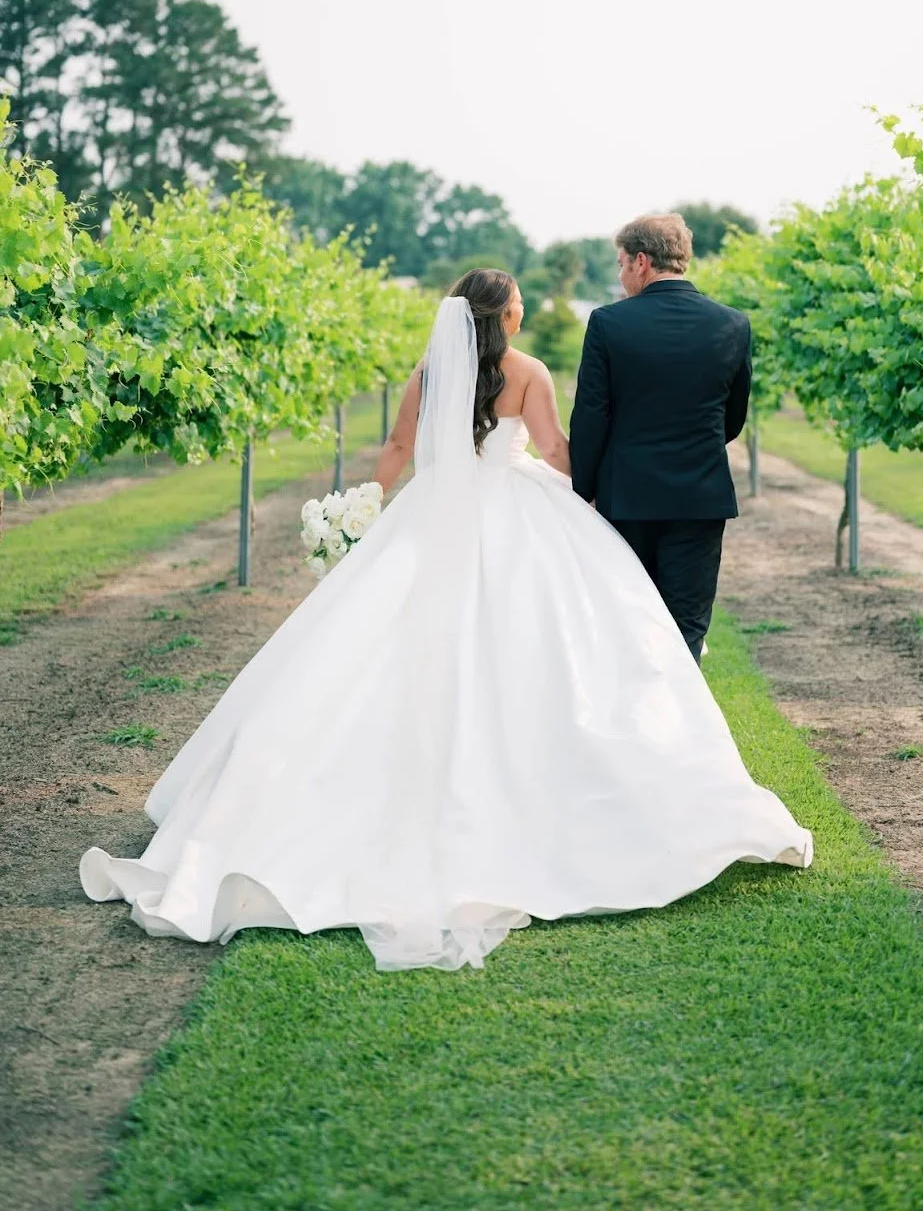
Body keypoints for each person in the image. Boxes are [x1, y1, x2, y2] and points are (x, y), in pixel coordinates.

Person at [80, 269, 812, 974]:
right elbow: (556, 449)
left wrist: (366, 504)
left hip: (431, 520)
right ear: (508, 316)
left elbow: (399, 447)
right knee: (542, 647)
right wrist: (590, 496)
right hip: (520, 516)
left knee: (379, 650)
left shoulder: (426, 374)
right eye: (519, 302)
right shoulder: (529, 372)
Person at [570, 214, 750, 661]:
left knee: (627, 620)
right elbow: (733, 419)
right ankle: (682, 725)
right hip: (700, 499)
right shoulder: (732, 324)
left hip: (626, 498)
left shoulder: (608, 324)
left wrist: (583, 491)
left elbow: (591, 417)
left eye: (620, 262)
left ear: (642, 262)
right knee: (687, 625)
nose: (619, 273)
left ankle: (634, 720)